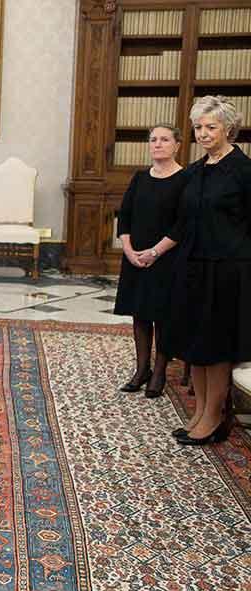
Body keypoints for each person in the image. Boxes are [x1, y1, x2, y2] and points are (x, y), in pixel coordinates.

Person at [140, 96, 250, 445]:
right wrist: (156, 251)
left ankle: (214, 418)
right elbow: (183, 222)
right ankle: (201, 411)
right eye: (198, 127)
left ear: (229, 129)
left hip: (227, 270)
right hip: (192, 268)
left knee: (216, 348)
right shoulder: (196, 170)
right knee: (195, 344)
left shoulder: (244, 171)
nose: (202, 134)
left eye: (211, 127)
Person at [113, 125, 189, 398]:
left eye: (165, 139)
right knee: (140, 313)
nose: (158, 144)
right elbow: (125, 216)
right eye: (153, 139)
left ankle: (159, 373)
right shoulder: (140, 178)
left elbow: (183, 224)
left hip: (167, 258)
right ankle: (141, 369)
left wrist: (155, 252)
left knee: (163, 317)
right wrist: (130, 250)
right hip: (135, 258)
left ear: (177, 144)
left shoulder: (185, 179)